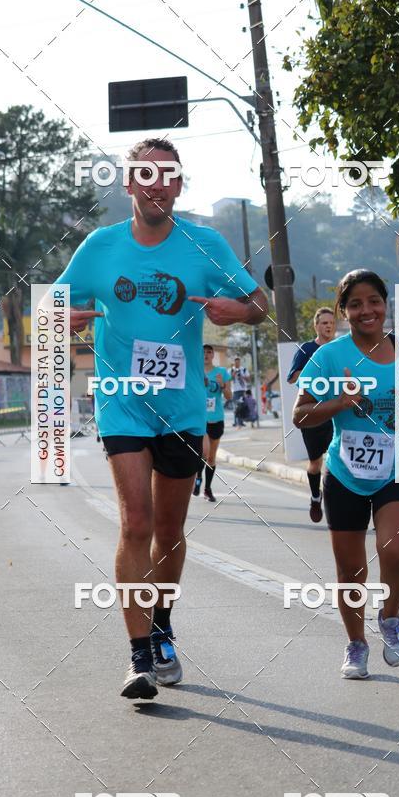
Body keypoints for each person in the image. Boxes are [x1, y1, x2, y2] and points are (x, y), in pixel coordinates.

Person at [58, 137, 267, 700]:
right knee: (136, 524)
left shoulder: (205, 245)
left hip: (182, 408)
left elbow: (260, 304)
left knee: (170, 532)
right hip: (121, 402)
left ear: (178, 184)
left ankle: (162, 627)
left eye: (167, 174)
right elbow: (50, 307)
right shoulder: (100, 247)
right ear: (129, 183)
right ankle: (138, 658)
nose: (156, 185)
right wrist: (66, 316)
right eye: (144, 175)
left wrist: (239, 311)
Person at [293, 269, 399, 680]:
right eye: (356, 304)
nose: (367, 310)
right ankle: (356, 643)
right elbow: (300, 415)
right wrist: (340, 403)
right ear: (344, 311)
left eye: (374, 301)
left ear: (386, 305)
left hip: (398, 469)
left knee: (395, 552)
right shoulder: (329, 357)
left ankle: (390, 617)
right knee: (351, 573)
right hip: (346, 474)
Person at [287, 307, 336, 522]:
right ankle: (316, 496)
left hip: (336, 412)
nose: (328, 326)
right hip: (312, 414)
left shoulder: (339, 348)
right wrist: (315, 370)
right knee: (316, 463)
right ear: (316, 326)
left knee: (339, 461)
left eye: (331, 323)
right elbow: (292, 378)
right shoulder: (306, 349)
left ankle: (339, 504)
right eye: (324, 323)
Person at [193, 344, 232, 502]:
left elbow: (229, 396)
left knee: (211, 457)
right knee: (203, 452)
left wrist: (222, 385)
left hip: (216, 419)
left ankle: (207, 489)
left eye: (209, 352)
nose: (206, 355)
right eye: (203, 352)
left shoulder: (221, 372)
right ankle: (198, 479)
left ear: (213, 355)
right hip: (199, 419)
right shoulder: (195, 371)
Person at [230, 356, 251, 427]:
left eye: (238, 362)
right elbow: (229, 379)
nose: (237, 363)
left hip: (243, 390)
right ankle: (236, 422)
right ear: (234, 362)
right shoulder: (231, 370)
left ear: (240, 362)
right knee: (236, 406)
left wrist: (242, 376)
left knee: (242, 406)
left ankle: (241, 422)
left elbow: (248, 380)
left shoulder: (244, 369)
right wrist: (233, 374)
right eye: (235, 362)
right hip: (235, 390)